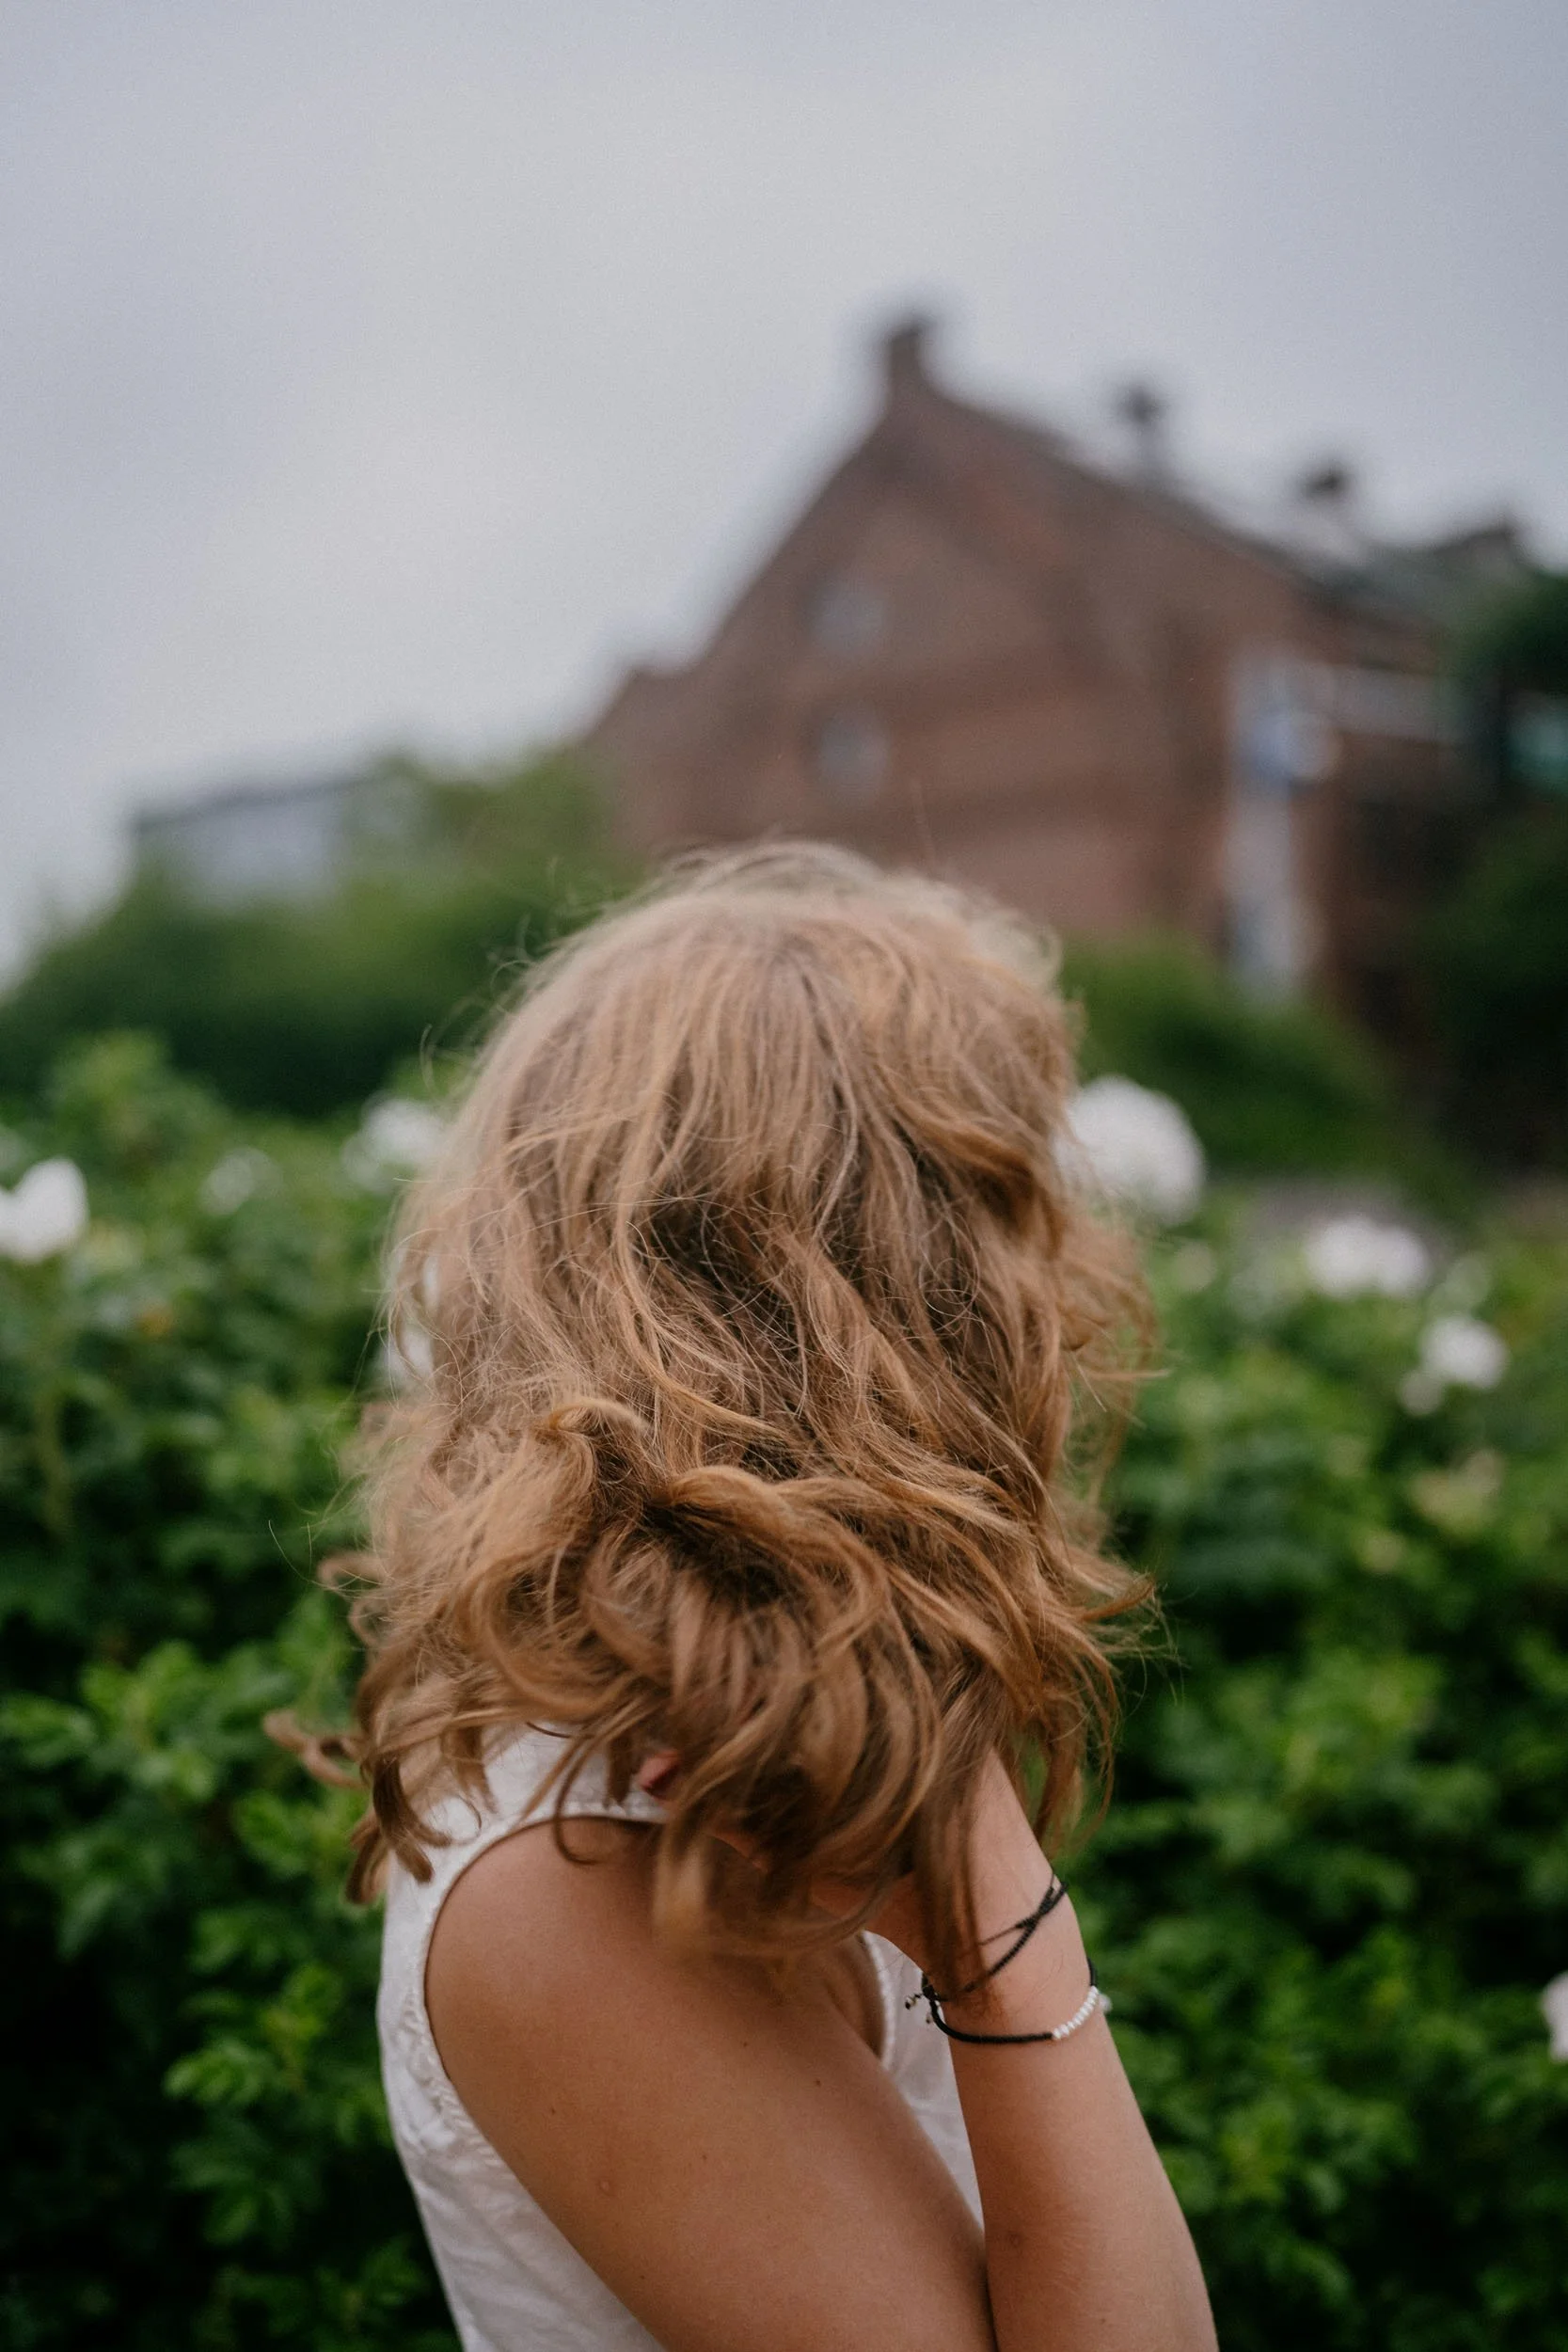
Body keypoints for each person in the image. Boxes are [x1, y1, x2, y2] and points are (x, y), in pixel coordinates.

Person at [349, 845, 1217, 2352]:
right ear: (912, 1295)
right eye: (1017, 1206)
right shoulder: (576, 1876)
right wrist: (990, 1893)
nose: (1067, 1275)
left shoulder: (755, 1729)